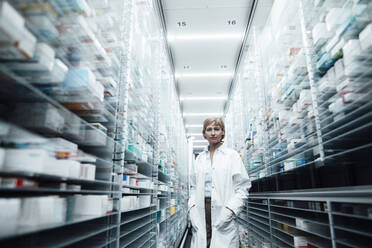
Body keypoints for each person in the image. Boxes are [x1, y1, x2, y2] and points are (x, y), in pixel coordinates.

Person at [188, 117, 251, 248]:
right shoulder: (199, 159)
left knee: (221, 242)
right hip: (201, 209)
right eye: (209, 129)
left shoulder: (231, 155)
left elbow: (242, 188)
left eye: (217, 129)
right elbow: (193, 187)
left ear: (223, 132)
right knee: (203, 242)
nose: (213, 133)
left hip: (223, 208)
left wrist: (230, 210)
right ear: (204, 133)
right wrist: (192, 208)